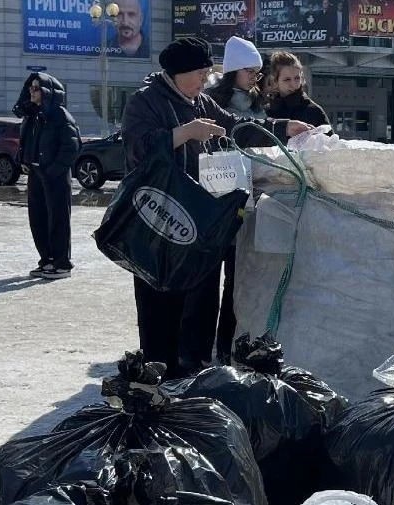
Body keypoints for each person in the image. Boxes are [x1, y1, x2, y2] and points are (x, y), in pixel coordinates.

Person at [121, 37, 312, 379]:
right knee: (158, 302)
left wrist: (282, 127)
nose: (205, 79)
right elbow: (139, 149)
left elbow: (236, 127)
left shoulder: (200, 102)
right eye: (200, 73)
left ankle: (187, 370)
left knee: (193, 297)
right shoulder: (145, 101)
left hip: (194, 215)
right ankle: (157, 376)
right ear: (179, 72)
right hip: (157, 217)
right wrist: (184, 133)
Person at [205, 36, 266, 365]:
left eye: (258, 72)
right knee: (206, 279)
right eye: (250, 72)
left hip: (248, 196)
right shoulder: (214, 103)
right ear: (233, 72)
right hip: (217, 196)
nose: (255, 78)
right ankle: (201, 348)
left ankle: (226, 345)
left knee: (236, 279)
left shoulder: (258, 104)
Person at [13, 73, 82, 280]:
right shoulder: (32, 115)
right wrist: (24, 160)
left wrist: (54, 169)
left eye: (36, 88)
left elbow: (72, 145)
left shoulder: (60, 115)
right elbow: (26, 140)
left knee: (58, 218)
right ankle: (47, 260)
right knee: (38, 218)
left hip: (55, 175)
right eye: (30, 88)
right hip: (36, 173)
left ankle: (62, 263)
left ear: (46, 91)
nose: (31, 91)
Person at [264, 52, 331, 128]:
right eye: (287, 79)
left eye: (297, 78)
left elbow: (329, 135)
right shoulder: (265, 112)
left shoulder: (313, 112)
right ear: (275, 81)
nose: (294, 84)